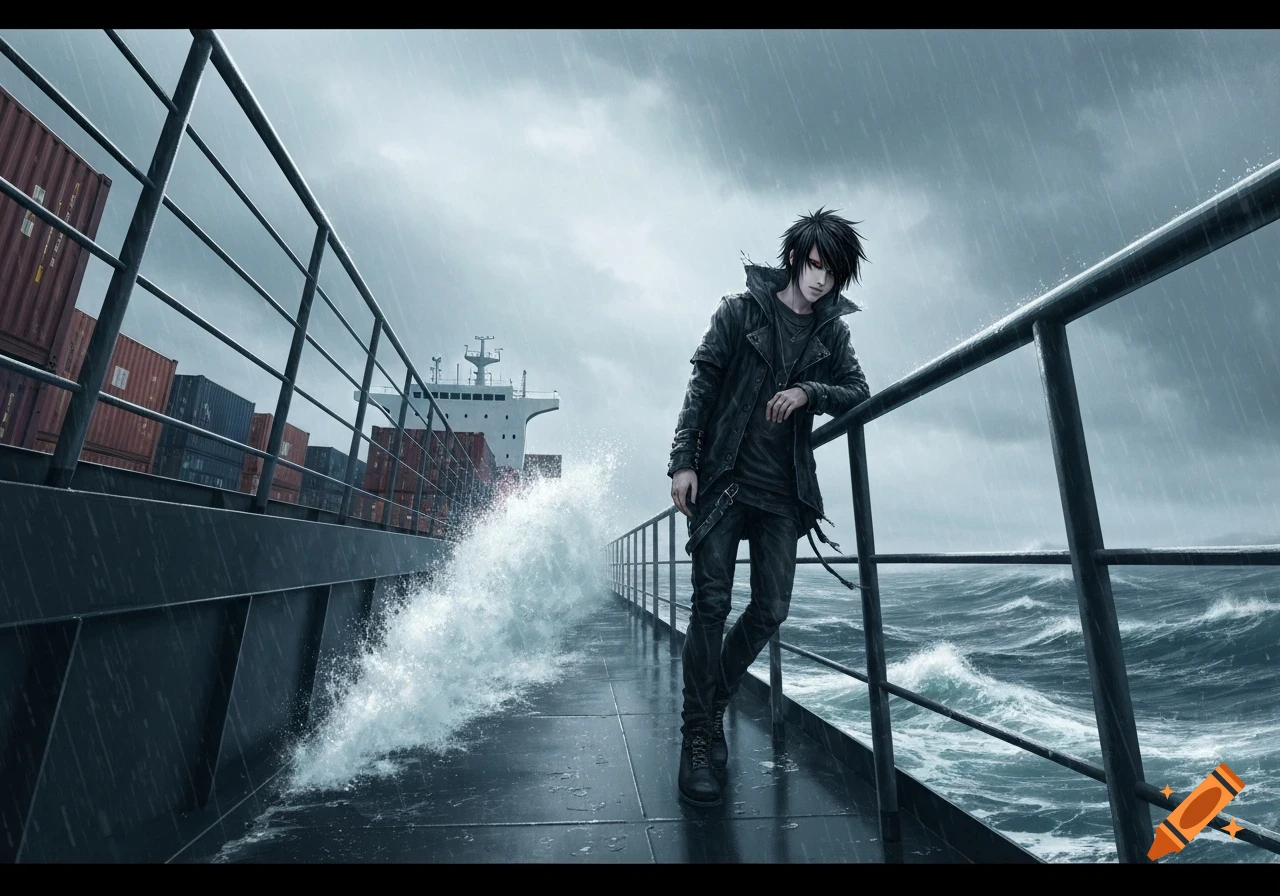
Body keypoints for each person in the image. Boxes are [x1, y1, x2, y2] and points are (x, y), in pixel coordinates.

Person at [667, 208, 871, 808]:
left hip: (784, 493)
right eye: (814, 266)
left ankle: (713, 706)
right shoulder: (741, 311)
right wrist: (684, 460)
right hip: (725, 480)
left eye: (832, 273)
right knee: (710, 605)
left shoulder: (832, 334)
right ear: (795, 259)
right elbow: (701, 386)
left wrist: (811, 391)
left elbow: (859, 391)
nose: (821, 281)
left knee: (772, 608)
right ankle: (697, 737)